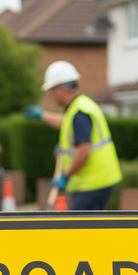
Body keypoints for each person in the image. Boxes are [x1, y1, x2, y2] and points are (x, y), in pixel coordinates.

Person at [25, 60, 121, 210]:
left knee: (78, 228)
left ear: (62, 88)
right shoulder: (79, 106)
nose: (51, 95)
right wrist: (42, 115)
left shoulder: (79, 112)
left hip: (93, 182)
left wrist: (65, 176)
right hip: (97, 180)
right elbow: (66, 123)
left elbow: (84, 150)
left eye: (52, 90)